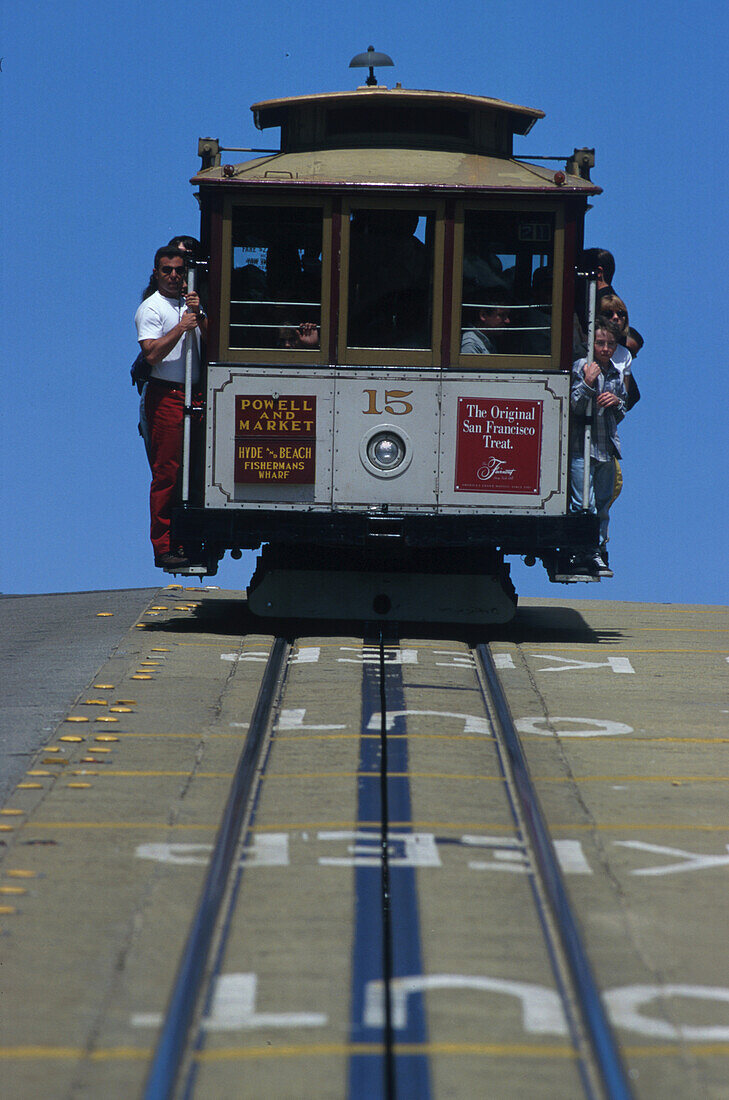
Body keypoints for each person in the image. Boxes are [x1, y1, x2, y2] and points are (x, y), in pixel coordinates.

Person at [134, 246, 207, 569]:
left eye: (179, 270)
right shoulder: (152, 308)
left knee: (197, 472)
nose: (174, 276)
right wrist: (180, 327)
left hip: (197, 394)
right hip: (166, 396)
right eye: (167, 270)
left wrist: (199, 314)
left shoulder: (190, 306)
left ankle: (189, 540)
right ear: (156, 273)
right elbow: (151, 354)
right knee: (167, 473)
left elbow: (212, 341)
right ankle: (163, 547)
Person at [569, 319, 627, 574]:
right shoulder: (583, 367)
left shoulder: (615, 373)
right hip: (582, 446)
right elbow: (574, 406)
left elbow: (621, 411)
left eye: (610, 345)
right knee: (584, 502)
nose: (605, 349)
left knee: (603, 504)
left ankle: (599, 549)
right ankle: (581, 550)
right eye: (600, 344)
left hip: (606, 446)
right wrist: (588, 383)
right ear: (590, 344)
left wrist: (616, 402)